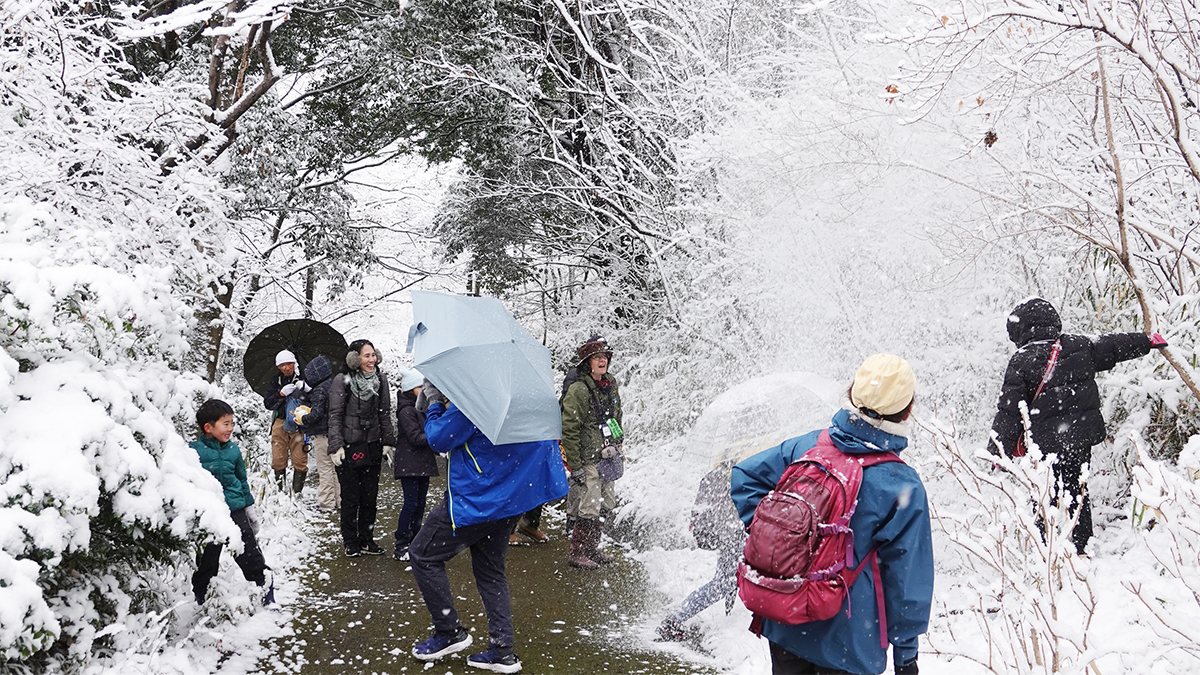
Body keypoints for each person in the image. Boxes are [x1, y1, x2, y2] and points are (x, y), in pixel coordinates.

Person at [731, 354, 932, 675]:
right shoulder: (901, 484)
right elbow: (907, 580)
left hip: (787, 615)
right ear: (907, 410)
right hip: (850, 639)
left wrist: (778, 537)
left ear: (852, 393)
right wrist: (906, 655)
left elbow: (744, 476)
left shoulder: (809, 446)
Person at [409, 380, 568, 673]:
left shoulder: (477, 394)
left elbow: (439, 439)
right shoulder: (522, 396)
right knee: (491, 573)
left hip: (477, 499)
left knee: (422, 554)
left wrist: (433, 404)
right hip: (509, 500)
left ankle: (448, 631)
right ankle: (502, 651)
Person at [990, 297, 1167, 554]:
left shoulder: (1021, 360)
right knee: (1078, 491)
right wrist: (1147, 341)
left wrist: (998, 451)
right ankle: (1083, 545)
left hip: (1044, 444)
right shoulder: (1079, 345)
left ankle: (1045, 549)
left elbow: (1009, 411)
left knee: (1043, 494)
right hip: (1079, 437)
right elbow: (1114, 345)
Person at [191, 399, 275, 606]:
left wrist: (249, 508)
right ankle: (203, 596)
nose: (230, 428)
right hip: (209, 513)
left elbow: (242, 480)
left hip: (235, 509)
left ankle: (266, 590)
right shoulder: (193, 452)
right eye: (225, 423)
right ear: (208, 427)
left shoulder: (233, 451)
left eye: (232, 423)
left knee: (249, 552)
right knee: (207, 558)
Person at [656, 461, 746, 641]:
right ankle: (675, 620)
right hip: (735, 533)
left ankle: (677, 619)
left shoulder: (716, 474)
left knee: (729, 580)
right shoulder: (740, 476)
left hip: (729, 533)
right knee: (725, 582)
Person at [328, 339, 396, 557]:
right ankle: (351, 541)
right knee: (350, 497)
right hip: (349, 447)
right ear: (354, 358)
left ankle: (366, 539)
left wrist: (387, 441)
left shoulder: (381, 380)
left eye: (373, 355)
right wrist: (336, 446)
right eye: (366, 356)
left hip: (372, 445)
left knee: (370, 496)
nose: (371, 360)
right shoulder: (343, 380)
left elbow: (384, 412)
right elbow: (335, 415)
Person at [560, 336, 623, 569]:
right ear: (588, 362)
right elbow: (570, 428)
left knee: (606, 503)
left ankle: (592, 548)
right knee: (589, 505)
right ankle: (577, 553)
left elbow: (616, 416)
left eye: (605, 357)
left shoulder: (610, 383)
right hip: (588, 457)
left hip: (608, 454)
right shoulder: (578, 390)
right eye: (597, 357)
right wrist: (575, 465)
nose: (602, 360)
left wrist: (618, 442)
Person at [392, 368, 437, 561]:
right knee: (410, 504)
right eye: (420, 386)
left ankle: (415, 541)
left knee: (420, 504)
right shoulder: (407, 411)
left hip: (422, 463)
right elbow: (415, 437)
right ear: (411, 389)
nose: (424, 390)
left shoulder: (422, 409)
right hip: (410, 464)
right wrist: (435, 436)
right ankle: (401, 543)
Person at [262, 349, 309, 495]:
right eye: (282, 365)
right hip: (279, 421)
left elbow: (315, 400)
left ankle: (297, 492)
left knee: (300, 458)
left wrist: (305, 390)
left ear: (295, 363)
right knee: (278, 457)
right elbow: (268, 403)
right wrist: (281, 394)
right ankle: (280, 492)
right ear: (278, 367)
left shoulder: (304, 379)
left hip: (299, 423)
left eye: (289, 364)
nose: (286, 368)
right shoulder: (275, 381)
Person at [297, 354, 339, 510]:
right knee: (334, 469)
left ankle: (327, 503)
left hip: (322, 434)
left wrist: (302, 418)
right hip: (334, 433)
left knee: (325, 468)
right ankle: (338, 500)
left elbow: (317, 414)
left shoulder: (319, 390)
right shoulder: (333, 384)